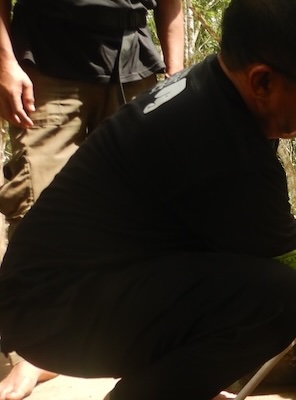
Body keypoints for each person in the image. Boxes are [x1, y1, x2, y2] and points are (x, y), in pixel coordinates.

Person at [0, 0, 296, 399]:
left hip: (63, 293)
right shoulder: (221, 144)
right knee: (274, 301)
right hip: (54, 315)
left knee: (280, 283)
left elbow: (246, 230)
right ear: (264, 81)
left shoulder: (217, 93)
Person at [0, 0, 184, 398]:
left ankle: (138, 339)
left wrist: (177, 76)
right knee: (38, 203)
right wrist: (5, 62)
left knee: (147, 208)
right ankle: (35, 351)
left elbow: (173, 4)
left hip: (134, 58)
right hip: (45, 59)